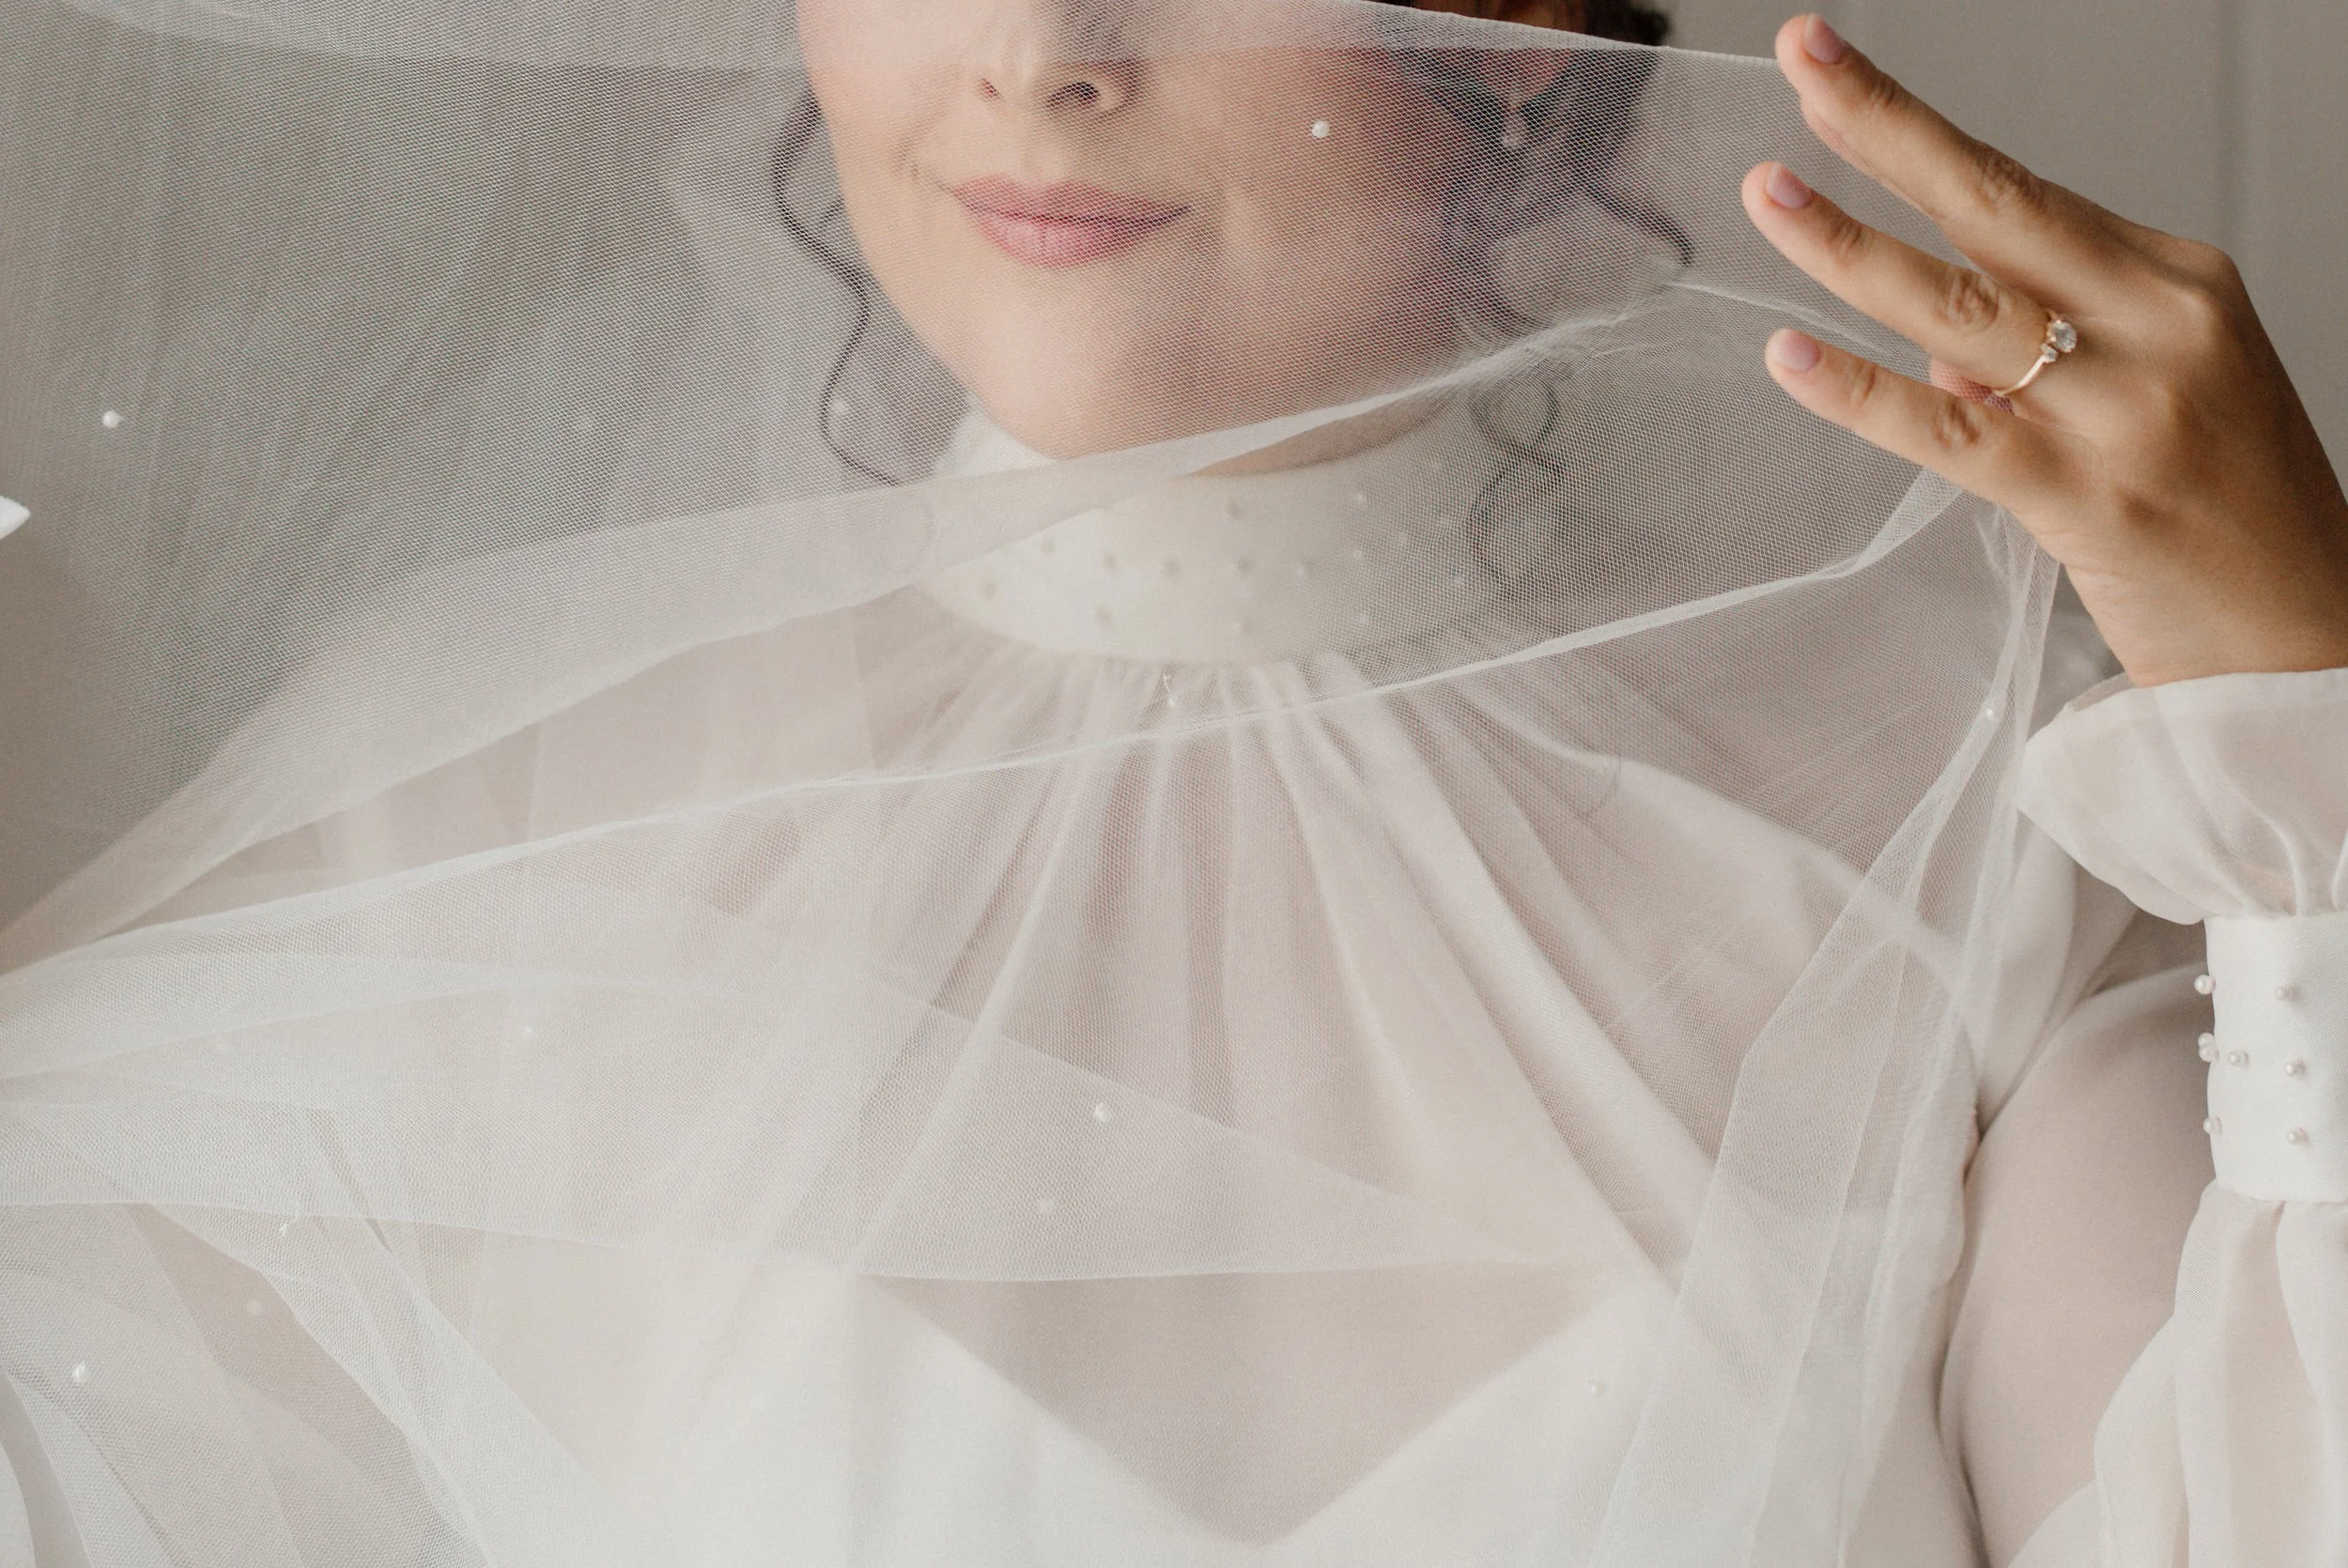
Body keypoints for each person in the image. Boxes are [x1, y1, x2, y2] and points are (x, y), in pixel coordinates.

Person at [0, 1, 2341, 1564]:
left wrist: (2307, 762)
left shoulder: (1985, 800)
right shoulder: (468, 803)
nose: (1038, 54)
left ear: (1515, 19)